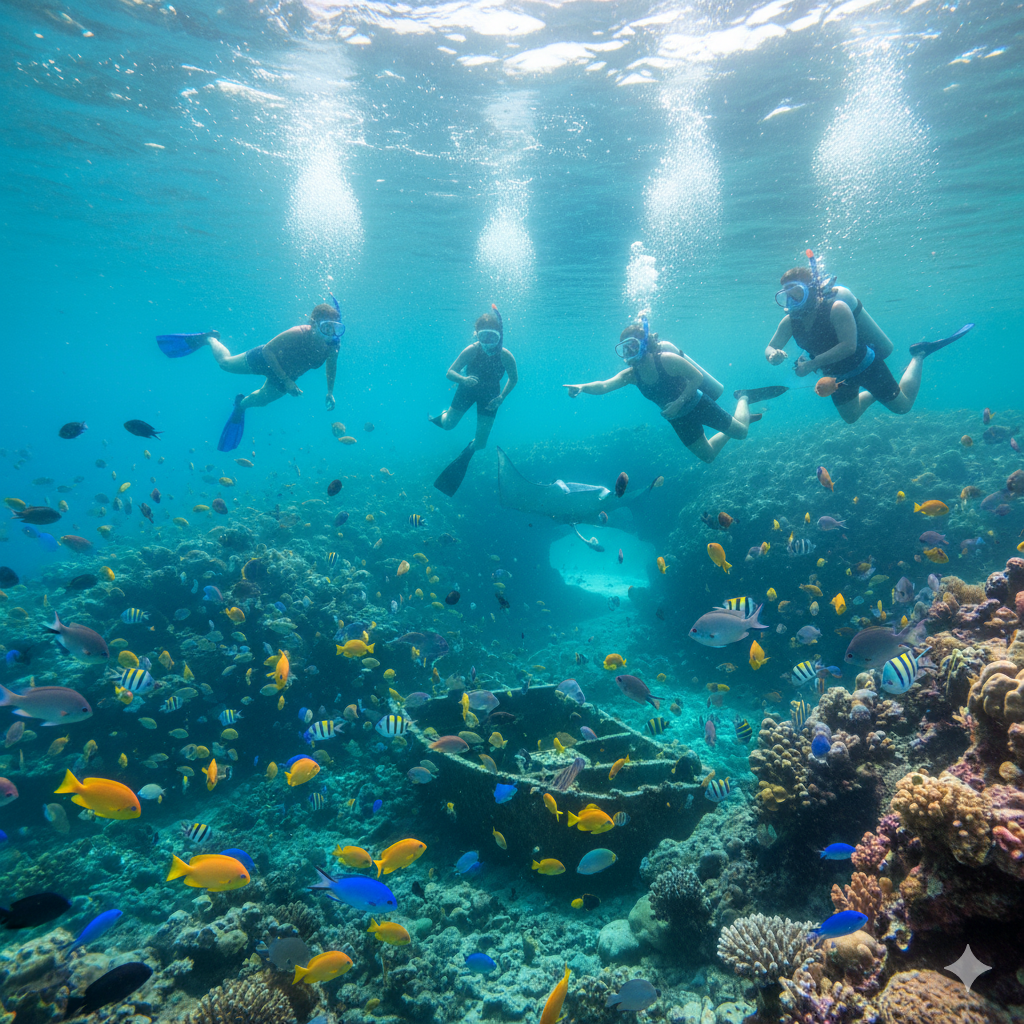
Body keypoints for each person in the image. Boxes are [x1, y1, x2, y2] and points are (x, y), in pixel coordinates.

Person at [763, 251, 971, 423]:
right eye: (786, 295)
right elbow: (770, 347)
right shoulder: (790, 322)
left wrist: (811, 364)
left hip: (867, 367)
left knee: (903, 408)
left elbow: (848, 346)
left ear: (810, 290)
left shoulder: (836, 308)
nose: (791, 300)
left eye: (796, 292)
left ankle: (919, 354)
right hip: (836, 377)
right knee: (851, 417)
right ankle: (876, 394)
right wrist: (773, 355)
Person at [157, 300, 344, 451]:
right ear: (313, 324)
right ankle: (210, 338)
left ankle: (240, 405)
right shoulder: (297, 333)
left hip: (287, 378)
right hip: (265, 359)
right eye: (327, 327)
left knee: (260, 402)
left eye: (335, 328)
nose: (331, 333)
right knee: (225, 364)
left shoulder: (333, 345)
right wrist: (287, 382)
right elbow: (269, 350)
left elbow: (331, 366)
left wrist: (330, 391)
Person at [563, 318, 752, 464]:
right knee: (708, 457)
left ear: (644, 344)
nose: (629, 352)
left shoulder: (666, 359)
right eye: (625, 349)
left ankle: (743, 397)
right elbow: (604, 385)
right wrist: (583, 387)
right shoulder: (632, 375)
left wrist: (678, 403)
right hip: (678, 420)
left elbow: (697, 378)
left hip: (698, 405)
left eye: (632, 346)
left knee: (742, 432)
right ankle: (731, 425)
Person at [430, 305, 518, 496]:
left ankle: (467, 452)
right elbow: (450, 372)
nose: (488, 343)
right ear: (476, 335)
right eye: (483, 337)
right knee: (447, 426)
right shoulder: (471, 350)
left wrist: (501, 397)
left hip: (491, 397)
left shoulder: (505, 355)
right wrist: (463, 379)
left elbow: (514, 378)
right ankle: (443, 416)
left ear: (499, 337)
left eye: (492, 337)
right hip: (466, 390)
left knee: (481, 444)